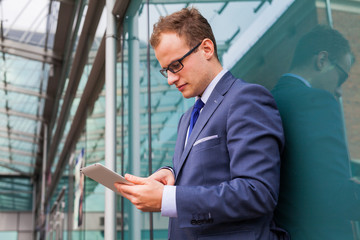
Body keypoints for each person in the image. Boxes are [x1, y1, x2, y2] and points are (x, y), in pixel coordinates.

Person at [115, 7, 288, 240]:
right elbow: (208, 171)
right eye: (165, 70)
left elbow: (257, 192)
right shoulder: (186, 119)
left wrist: (168, 199)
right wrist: (171, 173)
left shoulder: (246, 99)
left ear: (207, 48)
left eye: (175, 66)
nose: (170, 79)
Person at [271, 25, 360, 240]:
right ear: (322, 60)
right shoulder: (317, 101)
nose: (339, 92)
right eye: (341, 78)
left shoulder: (265, 103)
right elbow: (333, 195)